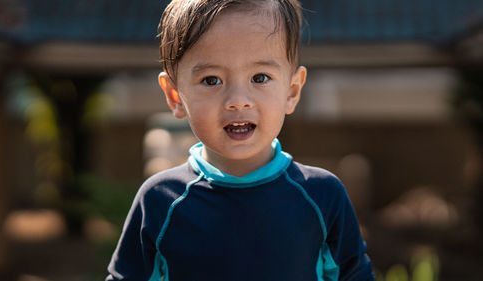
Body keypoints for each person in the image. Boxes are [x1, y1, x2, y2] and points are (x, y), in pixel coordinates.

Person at [106, 0, 375, 280]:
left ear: (292, 91)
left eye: (260, 77)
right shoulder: (162, 200)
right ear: (175, 96)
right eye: (211, 80)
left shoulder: (322, 196)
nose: (238, 101)